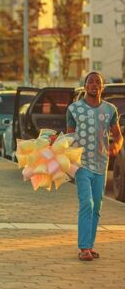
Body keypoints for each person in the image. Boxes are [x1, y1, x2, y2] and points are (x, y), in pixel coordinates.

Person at [66, 71, 123, 261]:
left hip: (101, 165)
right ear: (85, 86)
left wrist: (116, 146)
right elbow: (69, 137)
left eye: (97, 82)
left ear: (102, 87)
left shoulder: (110, 110)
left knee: (97, 206)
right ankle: (83, 248)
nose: (94, 85)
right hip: (81, 165)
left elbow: (118, 136)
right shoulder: (74, 110)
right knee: (86, 203)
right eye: (90, 81)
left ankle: (89, 246)